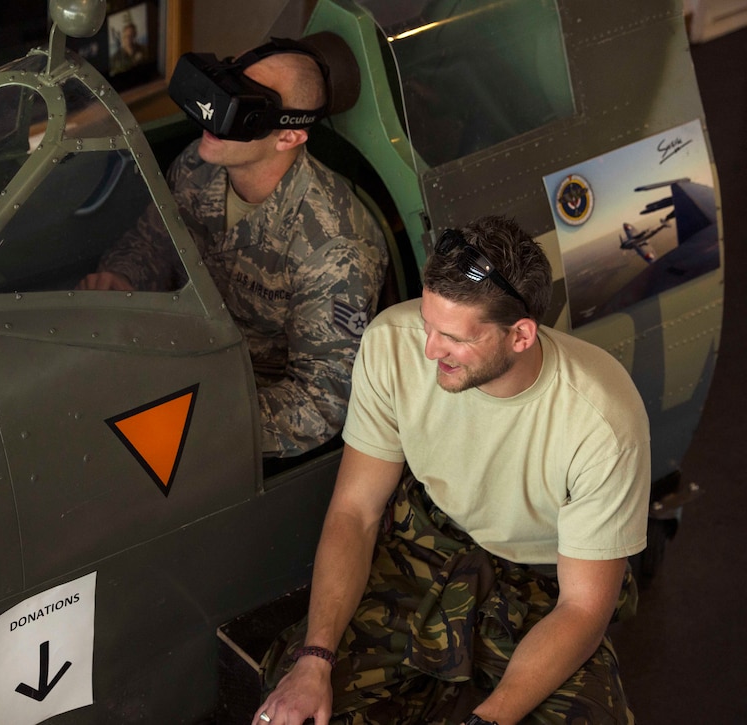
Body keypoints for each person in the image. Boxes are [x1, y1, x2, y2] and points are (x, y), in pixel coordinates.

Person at [256, 215, 650, 724]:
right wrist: (316, 659)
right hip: (425, 541)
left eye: (453, 338)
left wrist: (491, 719)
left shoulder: (602, 419)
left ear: (522, 336)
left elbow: (581, 610)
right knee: (300, 704)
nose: (428, 349)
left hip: (546, 577)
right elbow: (355, 512)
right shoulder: (391, 345)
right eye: (426, 324)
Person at [79, 46, 388, 458]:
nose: (215, 114)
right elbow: (153, 243)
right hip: (179, 352)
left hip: (243, 407)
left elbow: (320, 402)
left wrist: (206, 422)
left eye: (245, 109)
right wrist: (124, 278)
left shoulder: (334, 250)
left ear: (289, 136)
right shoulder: (198, 166)